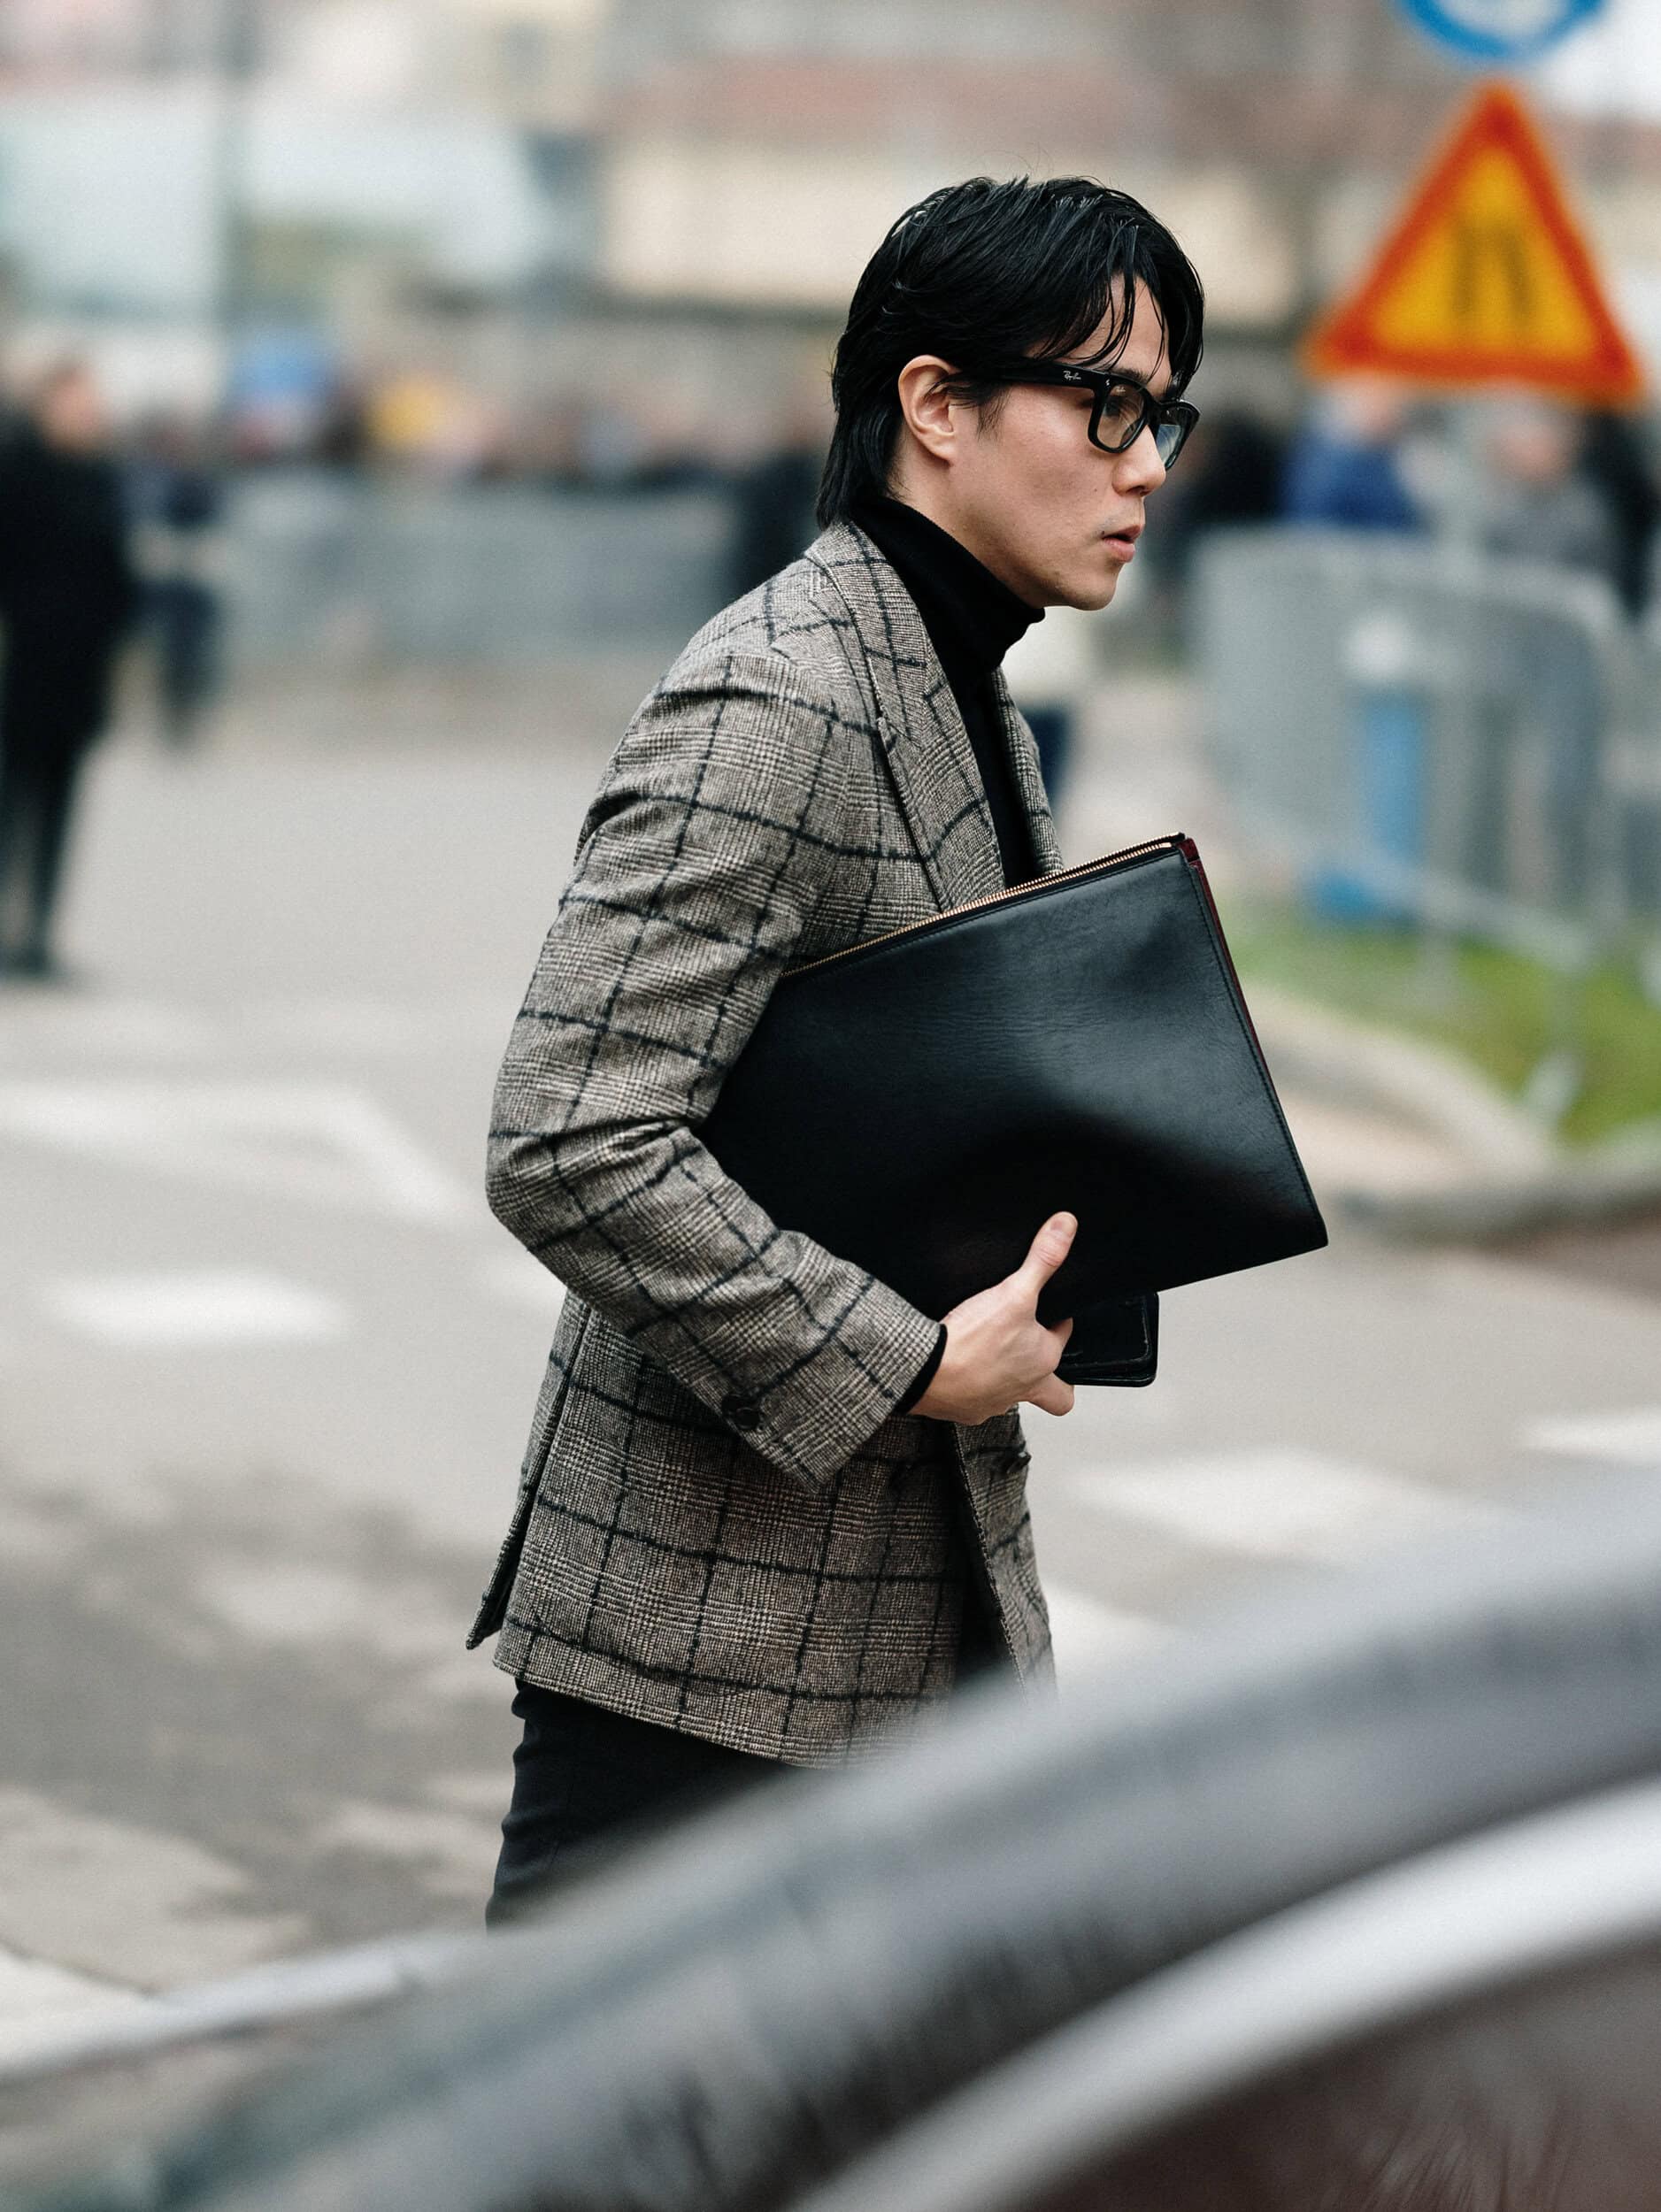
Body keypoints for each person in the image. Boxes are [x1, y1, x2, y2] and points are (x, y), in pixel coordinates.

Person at [471, 175, 1204, 1923]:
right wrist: (903, 1359)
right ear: (934, 403)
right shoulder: (784, 691)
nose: (1145, 469)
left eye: (1162, 416)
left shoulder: (953, 673)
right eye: (1104, 407)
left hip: (882, 1631)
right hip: (706, 1657)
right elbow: (570, 1134)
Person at [0, 362, 138, 982]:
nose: (86, 413)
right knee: (11, 804)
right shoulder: (17, 473)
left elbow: (115, 569)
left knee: (61, 808)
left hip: (80, 670)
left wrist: (120, 624)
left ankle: (39, 936)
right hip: (22, 664)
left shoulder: (100, 477)